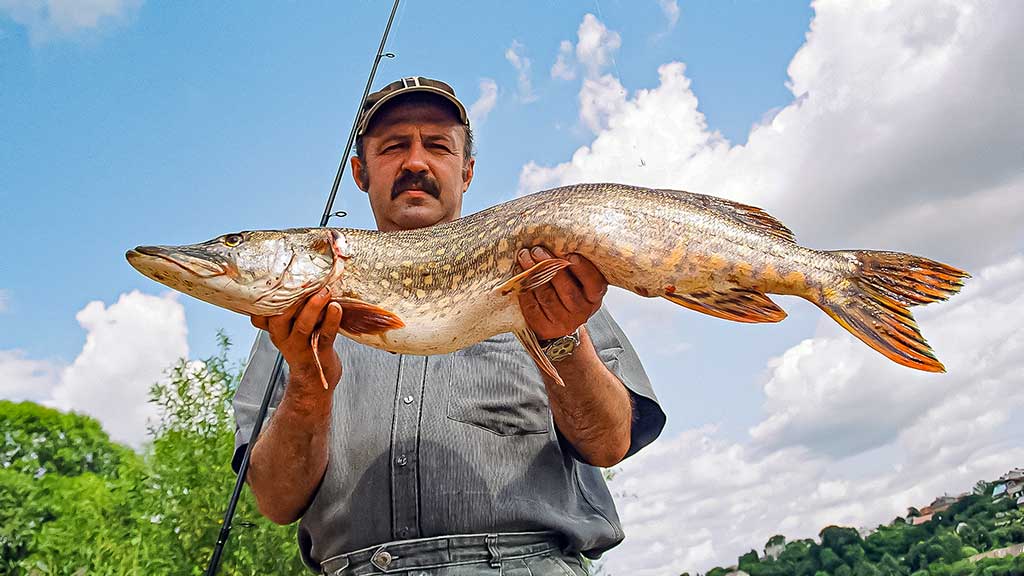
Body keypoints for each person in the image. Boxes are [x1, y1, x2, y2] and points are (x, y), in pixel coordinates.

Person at [232, 76, 666, 575]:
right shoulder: (292, 317)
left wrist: (561, 339)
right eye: (394, 146)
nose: (415, 162)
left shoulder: (544, 276)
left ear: (467, 172)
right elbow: (276, 501)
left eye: (437, 146)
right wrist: (309, 386)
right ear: (360, 171)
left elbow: (609, 444)